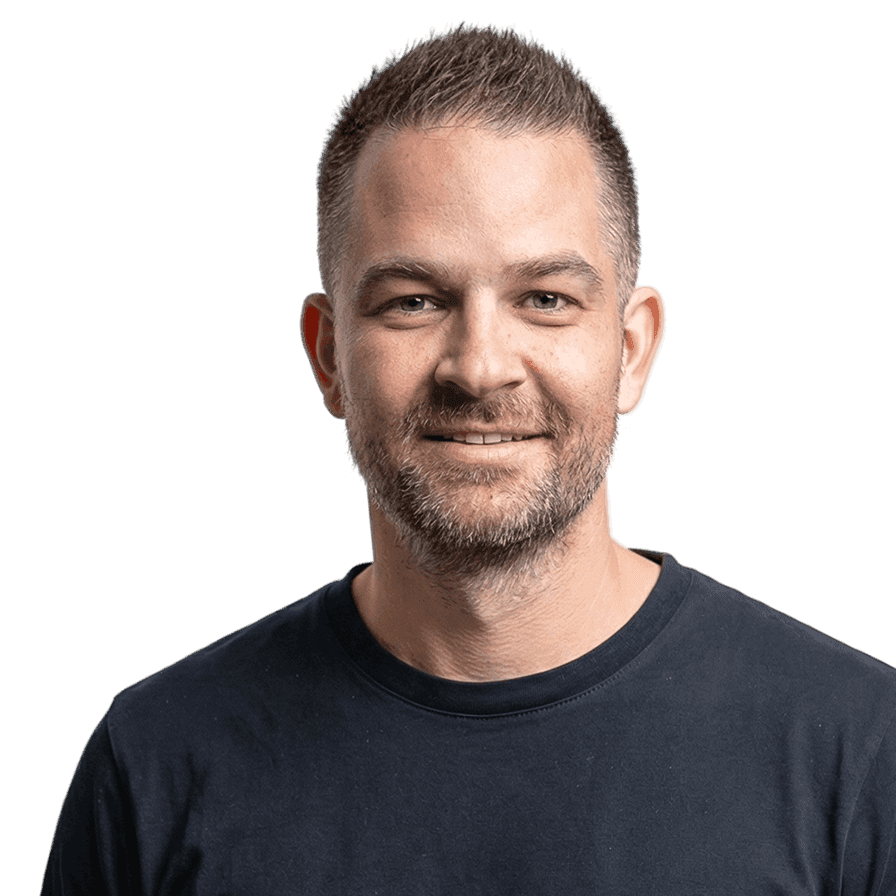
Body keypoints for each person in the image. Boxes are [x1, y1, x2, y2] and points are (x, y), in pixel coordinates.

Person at [42, 23, 895, 894]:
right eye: (413, 301)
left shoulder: (860, 755)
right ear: (329, 358)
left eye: (546, 299)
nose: (480, 367)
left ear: (632, 349)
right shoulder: (155, 765)